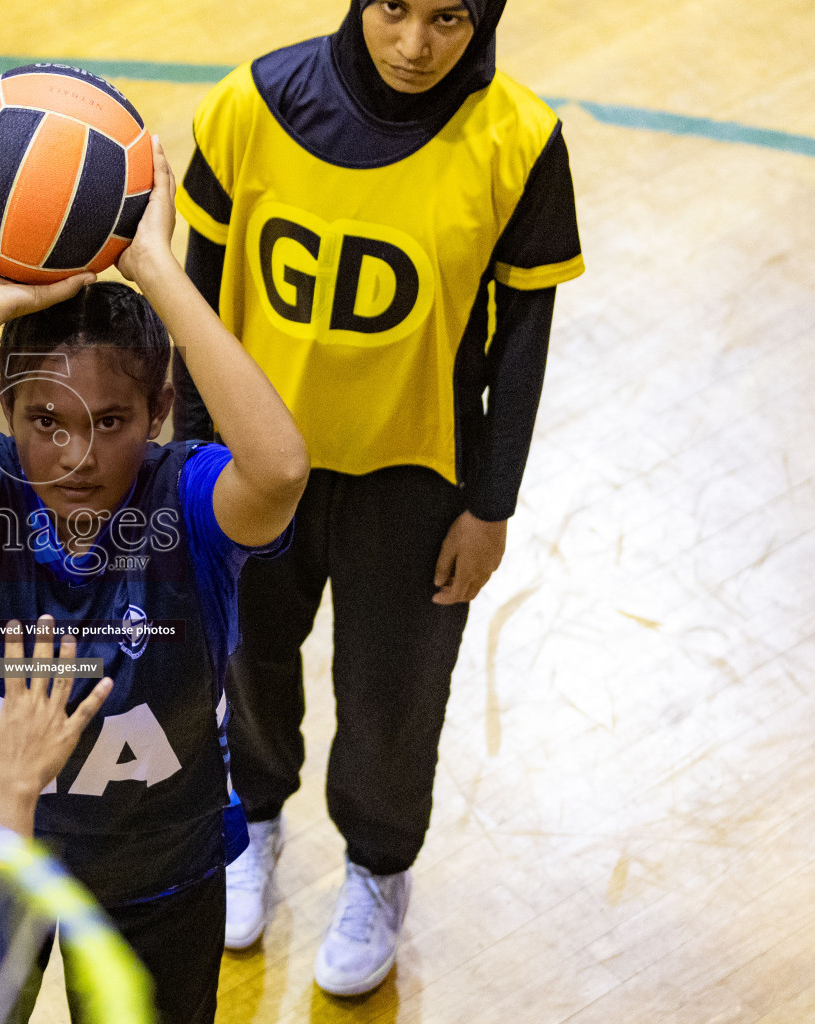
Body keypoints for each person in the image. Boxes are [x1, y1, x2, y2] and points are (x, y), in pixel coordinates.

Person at [171, 0, 584, 997]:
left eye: (447, 17)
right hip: (260, 466)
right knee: (246, 656)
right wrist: (186, 465)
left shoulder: (519, 141)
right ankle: (251, 818)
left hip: (417, 482)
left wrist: (492, 507)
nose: (413, 46)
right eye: (393, 7)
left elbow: (524, 341)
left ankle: (376, 869)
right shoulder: (251, 107)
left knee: (393, 695)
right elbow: (200, 293)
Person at [0, 137, 309, 1024]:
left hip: (153, 865)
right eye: (45, 421)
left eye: (112, 420)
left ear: (160, 411)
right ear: (6, 410)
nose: (79, 456)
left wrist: (159, 272)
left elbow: (282, 471)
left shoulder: (189, 496)